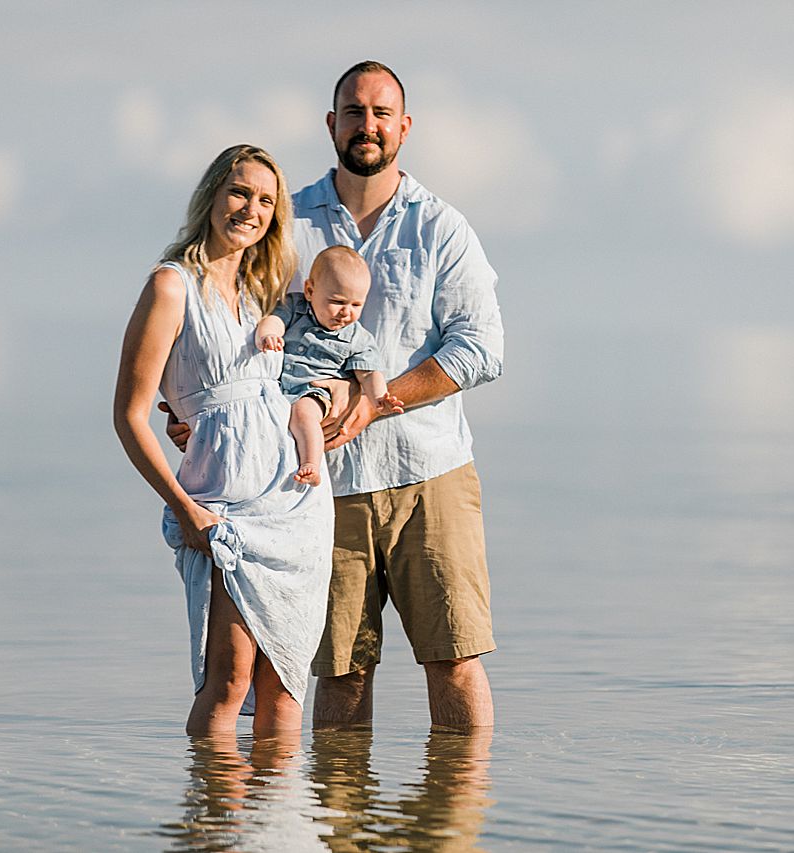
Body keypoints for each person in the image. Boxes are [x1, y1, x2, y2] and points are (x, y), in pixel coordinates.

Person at [295, 59, 504, 731]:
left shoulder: (441, 227)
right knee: (340, 669)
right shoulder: (291, 222)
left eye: (382, 113)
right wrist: (192, 410)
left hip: (430, 473)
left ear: (404, 127)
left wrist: (378, 402)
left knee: (455, 658)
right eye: (354, 111)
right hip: (325, 485)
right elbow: (245, 332)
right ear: (332, 124)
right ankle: (340, 831)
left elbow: (481, 348)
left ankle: (452, 826)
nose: (368, 124)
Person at [114, 144, 334, 736]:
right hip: (222, 507)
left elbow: (329, 361)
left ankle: (282, 828)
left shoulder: (270, 296)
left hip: (295, 504)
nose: (250, 209)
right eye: (240, 192)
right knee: (230, 679)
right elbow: (130, 414)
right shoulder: (170, 286)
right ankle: (212, 825)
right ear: (212, 194)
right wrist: (183, 510)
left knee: (285, 687)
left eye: (267, 200)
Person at [254, 245, 404, 487]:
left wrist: (379, 398)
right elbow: (274, 320)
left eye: (356, 305)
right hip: (276, 388)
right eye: (337, 302)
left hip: (315, 391)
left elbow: (368, 373)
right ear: (310, 290)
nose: (346, 312)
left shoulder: (358, 337)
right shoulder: (296, 307)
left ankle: (310, 463)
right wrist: (267, 335)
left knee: (304, 413)